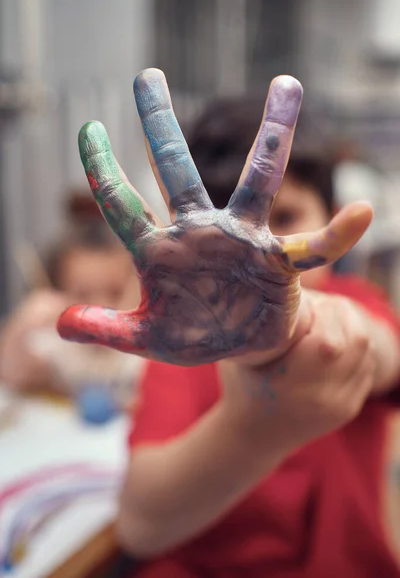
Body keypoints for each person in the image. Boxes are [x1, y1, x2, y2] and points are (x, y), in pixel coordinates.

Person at [58, 70, 400, 577]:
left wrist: (288, 328)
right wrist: (254, 423)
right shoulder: (180, 347)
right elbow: (139, 525)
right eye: (216, 238)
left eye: (283, 217)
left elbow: (373, 349)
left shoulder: (356, 301)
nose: (248, 259)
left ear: (329, 214)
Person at [0, 209, 143, 403]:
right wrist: (25, 320)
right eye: (82, 294)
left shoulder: (144, 349)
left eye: (114, 292)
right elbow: (10, 374)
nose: (99, 308)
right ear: (59, 294)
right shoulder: (59, 344)